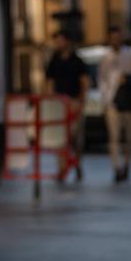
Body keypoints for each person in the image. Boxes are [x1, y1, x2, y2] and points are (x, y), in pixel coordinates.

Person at [99, 25, 131, 183]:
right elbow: (102, 80)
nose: (115, 41)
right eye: (113, 38)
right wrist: (105, 99)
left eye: (117, 37)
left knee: (129, 137)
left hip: (128, 102)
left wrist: (128, 80)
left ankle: (127, 165)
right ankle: (116, 167)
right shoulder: (106, 57)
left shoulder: (130, 55)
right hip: (112, 102)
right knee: (114, 137)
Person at [46, 29, 90, 182]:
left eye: (60, 40)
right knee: (60, 139)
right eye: (56, 41)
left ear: (67, 42)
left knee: (76, 138)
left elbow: (84, 82)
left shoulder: (77, 61)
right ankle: (62, 168)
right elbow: (50, 83)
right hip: (59, 105)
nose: (58, 43)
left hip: (74, 102)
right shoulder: (53, 60)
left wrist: (81, 102)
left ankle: (76, 163)